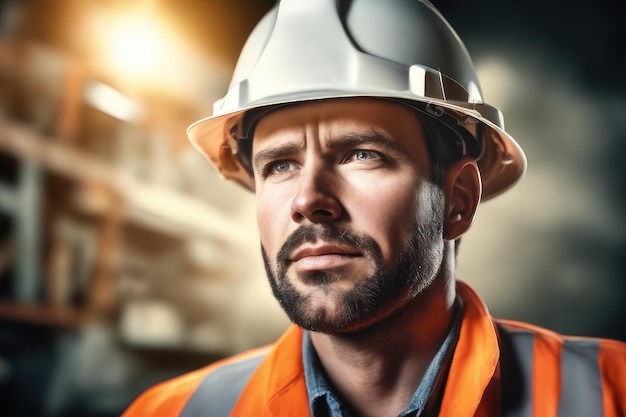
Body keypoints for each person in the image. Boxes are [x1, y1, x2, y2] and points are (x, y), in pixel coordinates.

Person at [122, 0, 626, 416]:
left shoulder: (611, 394)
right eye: (279, 165)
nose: (307, 201)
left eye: (362, 154)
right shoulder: (168, 412)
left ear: (459, 199)